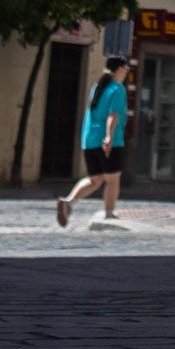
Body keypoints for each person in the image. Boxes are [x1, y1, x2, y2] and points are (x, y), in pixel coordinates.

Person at [56, 55, 135, 229]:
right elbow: (113, 115)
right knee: (113, 179)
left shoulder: (97, 86)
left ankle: (68, 202)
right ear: (119, 69)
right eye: (126, 67)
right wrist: (108, 137)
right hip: (108, 141)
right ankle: (109, 213)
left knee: (95, 180)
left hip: (89, 139)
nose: (128, 70)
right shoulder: (117, 89)